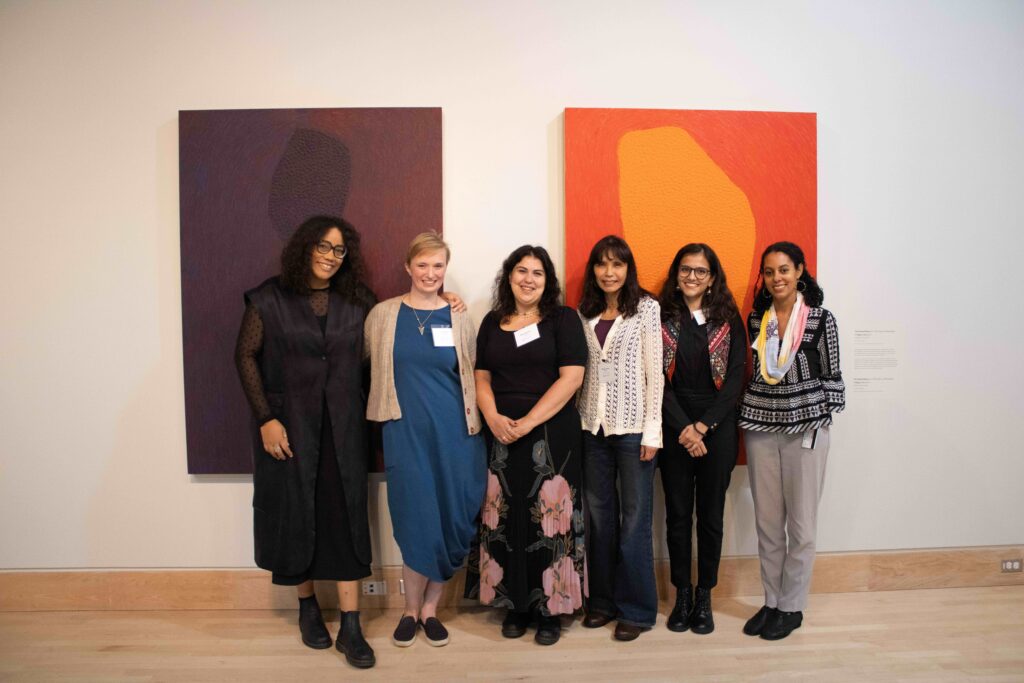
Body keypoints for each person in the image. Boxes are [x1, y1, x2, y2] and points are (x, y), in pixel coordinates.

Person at [234, 215, 378, 668]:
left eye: (339, 250)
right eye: (323, 246)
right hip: (289, 429)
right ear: (304, 247)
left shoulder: (359, 302)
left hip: (345, 429)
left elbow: (383, 348)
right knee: (297, 513)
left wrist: (444, 301)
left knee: (346, 517)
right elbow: (245, 356)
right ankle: (307, 607)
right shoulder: (269, 297)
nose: (331, 257)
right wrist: (266, 419)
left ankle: (352, 625)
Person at [364, 232, 487, 649]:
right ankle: (408, 609)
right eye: (423, 265)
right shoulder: (383, 315)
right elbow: (363, 368)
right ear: (408, 267)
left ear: (445, 269)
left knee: (453, 518)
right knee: (415, 520)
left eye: (438, 266)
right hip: (406, 433)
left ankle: (431, 610)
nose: (430, 273)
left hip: (457, 435)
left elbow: (471, 374)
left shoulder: (458, 316)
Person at [465, 245, 588, 647]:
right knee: (506, 518)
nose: (529, 279)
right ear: (509, 276)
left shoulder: (562, 320)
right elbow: (480, 378)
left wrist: (530, 422)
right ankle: (514, 604)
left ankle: (550, 609)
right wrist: (495, 419)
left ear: (547, 281)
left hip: (552, 434)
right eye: (522, 271)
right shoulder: (491, 322)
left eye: (538, 273)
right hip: (501, 433)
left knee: (548, 520)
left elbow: (571, 378)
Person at [738, 241, 845, 641]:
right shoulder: (757, 320)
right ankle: (772, 601)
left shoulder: (820, 319)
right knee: (767, 523)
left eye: (784, 269)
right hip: (760, 425)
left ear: (800, 271)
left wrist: (820, 422)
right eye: (769, 272)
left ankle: (792, 606)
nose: (776, 278)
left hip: (806, 430)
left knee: (802, 525)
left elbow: (833, 378)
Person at [575, 236, 663, 641]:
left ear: (628, 269)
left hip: (632, 432)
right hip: (592, 429)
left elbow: (654, 374)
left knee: (634, 522)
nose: (609, 272)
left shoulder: (646, 308)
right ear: (594, 270)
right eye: (601, 264)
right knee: (599, 519)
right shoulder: (585, 311)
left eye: (617, 264)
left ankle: (638, 610)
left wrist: (652, 431)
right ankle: (603, 602)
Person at [657, 243, 747, 635]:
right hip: (673, 424)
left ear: (712, 279)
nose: (692, 277)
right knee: (677, 515)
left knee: (710, 516)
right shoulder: (660, 316)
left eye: (700, 271)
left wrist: (704, 426)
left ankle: (706, 595)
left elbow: (735, 380)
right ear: (676, 274)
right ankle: (682, 595)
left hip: (718, 427)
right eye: (685, 270)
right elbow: (655, 378)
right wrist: (685, 428)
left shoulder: (729, 319)